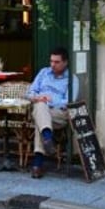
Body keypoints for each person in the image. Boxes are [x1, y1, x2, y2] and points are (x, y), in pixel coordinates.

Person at [27, 46, 79, 179]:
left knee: (41, 114)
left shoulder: (72, 79)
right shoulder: (44, 72)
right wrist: (37, 97)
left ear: (65, 62)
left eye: (56, 62)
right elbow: (30, 91)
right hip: (41, 110)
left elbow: (68, 101)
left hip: (59, 114)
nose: (52, 65)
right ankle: (47, 137)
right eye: (51, 61)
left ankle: (38, 163)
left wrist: (49, 100)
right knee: (40, 108)